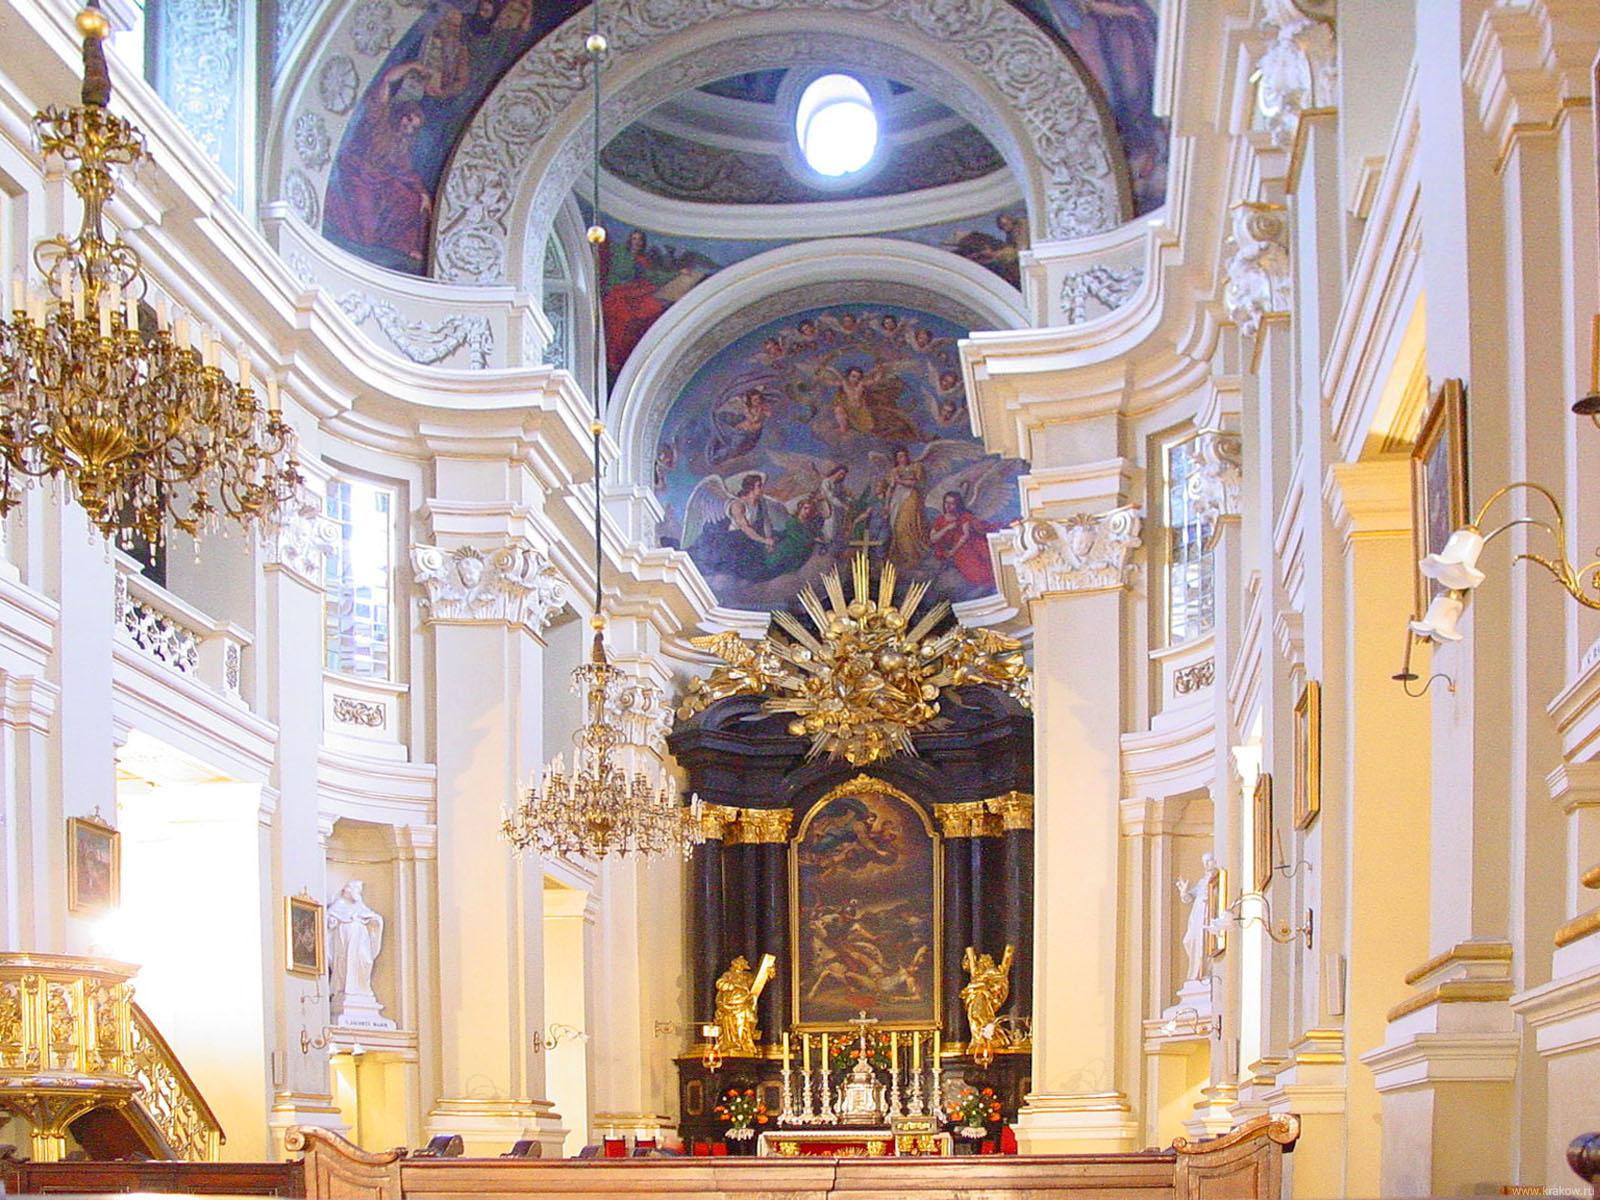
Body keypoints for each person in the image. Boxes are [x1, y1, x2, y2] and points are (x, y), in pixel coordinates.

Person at [324, 64, 436, 268]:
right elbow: (386, 81)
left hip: (380, 181)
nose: (408, 127)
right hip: (357, 173)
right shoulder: (380, 119)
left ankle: (403, 246)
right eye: (409, 119)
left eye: (413, 127)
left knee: (411, 201)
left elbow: (407, 172)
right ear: (402, 113)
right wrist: (412, 66)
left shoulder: (401, 145)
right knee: (365, 230)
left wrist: (423, 194)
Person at [327, 880, 384, 1005]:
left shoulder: (360, 906)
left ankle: (362, 988)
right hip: (345, 940)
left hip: (361, 940)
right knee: (346, 962)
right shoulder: (339, 905)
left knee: (365, 960)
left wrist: (375, 921)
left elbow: (373, 916)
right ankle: (345, 990)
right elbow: (329, 920)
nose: (358, 893)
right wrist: (332, 921)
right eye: (356, 890)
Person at [929, 491, 998, 591]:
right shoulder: (940, 520)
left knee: (974, 563)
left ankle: (988, 584)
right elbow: (933, 539)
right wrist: (946, 528)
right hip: (950, 547)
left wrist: (953, 551)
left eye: (952, 503)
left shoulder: (963, 517)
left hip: (963, 546)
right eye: (946, 503)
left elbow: (965, 535)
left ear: (957, 505)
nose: (948, 506)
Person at [885, 447, 931, 570]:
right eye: (899, 456)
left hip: (911, 497)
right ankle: (903, 555)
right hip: (897, 499)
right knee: (897, 527)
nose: (902, 458)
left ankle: (913, 556)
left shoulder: (916, 467)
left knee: (906, 525)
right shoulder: (894, 471)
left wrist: (901, 481)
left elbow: (918, 484)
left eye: (904, 455)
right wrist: (886, 505)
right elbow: (890, 489)